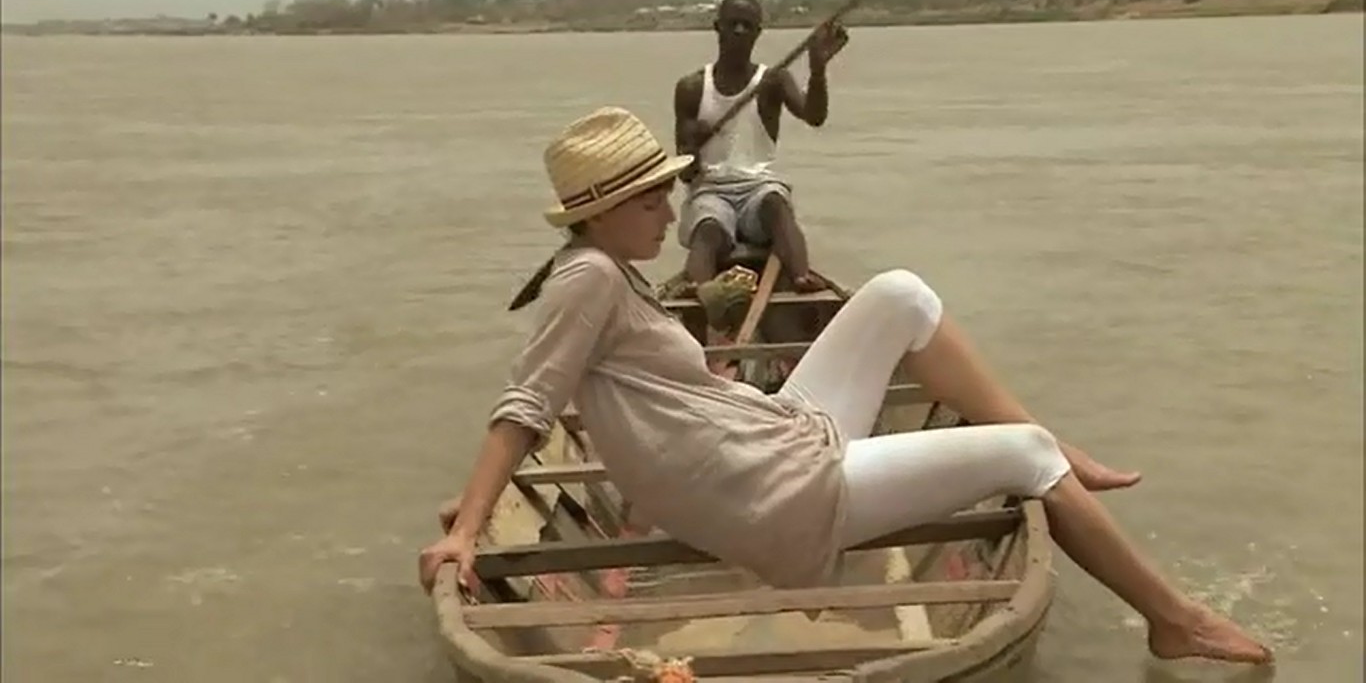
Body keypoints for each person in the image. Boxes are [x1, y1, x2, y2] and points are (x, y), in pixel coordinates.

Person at [418, 106, 1272, 666]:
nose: (670, 214)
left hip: (771, 434)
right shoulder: (588, 279)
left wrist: (714, 383)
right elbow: (527, 404)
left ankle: (1062, 456)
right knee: (1025, 455)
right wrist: (469, 521)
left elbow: (620, 389)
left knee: (900, 294)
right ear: (602, 212)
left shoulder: (609, 271)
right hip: (767, 492)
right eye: (651, 202)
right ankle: (1175, 619)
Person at [673, 0, 845, 295]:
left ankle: (801, 278)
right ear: (717, 28)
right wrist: (693, 146)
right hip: (710, 192)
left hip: (758, 188)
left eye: (747, 25)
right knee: (708, 230)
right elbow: (686, 174)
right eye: (732, 24)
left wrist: (818, 69)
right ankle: (700, 291)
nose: (739, 31)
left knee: (776, 205)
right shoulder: (692, 88)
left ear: (758, 33)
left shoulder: (773, 81)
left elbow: (814, 117)